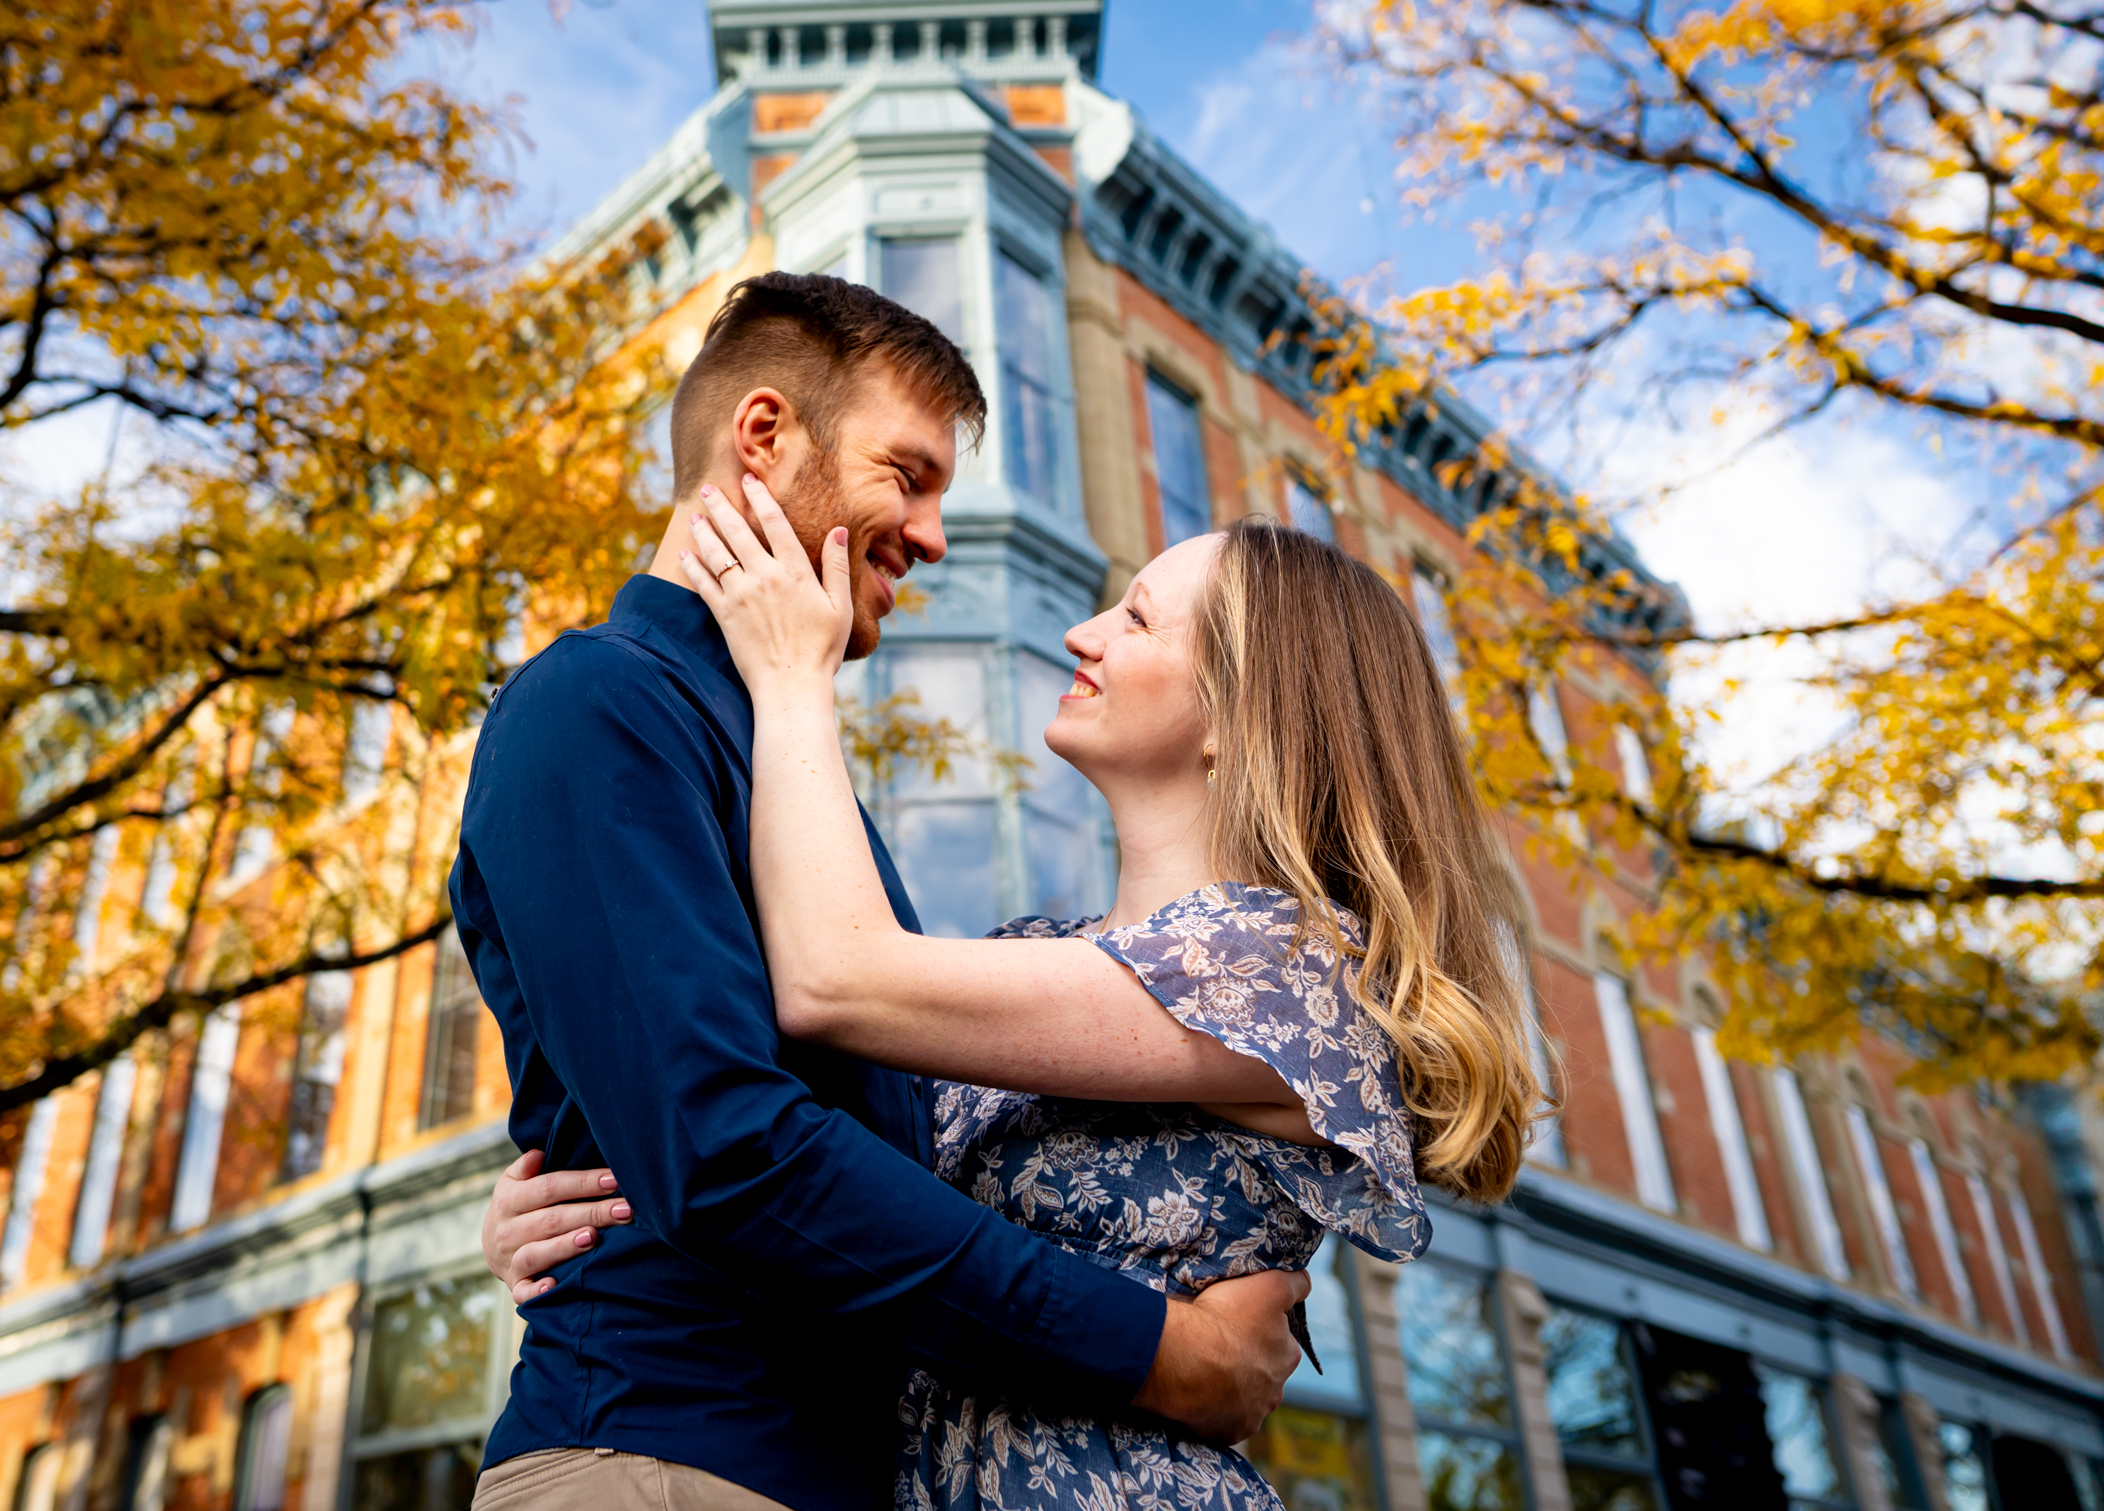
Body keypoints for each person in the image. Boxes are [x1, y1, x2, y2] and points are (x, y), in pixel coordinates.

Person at [492, 488, 1543, 1507]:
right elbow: (816, 1157)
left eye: (1135, 616)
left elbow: (834, 974)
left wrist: (790, 675)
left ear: (1239, 710)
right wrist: (586, 1194)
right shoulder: (1040, 955)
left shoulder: (1283, 972)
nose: (1086, 632)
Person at [449, 272, 1313, 1511]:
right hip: (668, 1460)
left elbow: (782, 1130)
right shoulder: (601, 703)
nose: (933, 534)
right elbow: (727, 1152)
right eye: (906, 475)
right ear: (764, 438)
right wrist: (1158, 1349)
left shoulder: (789, 778)